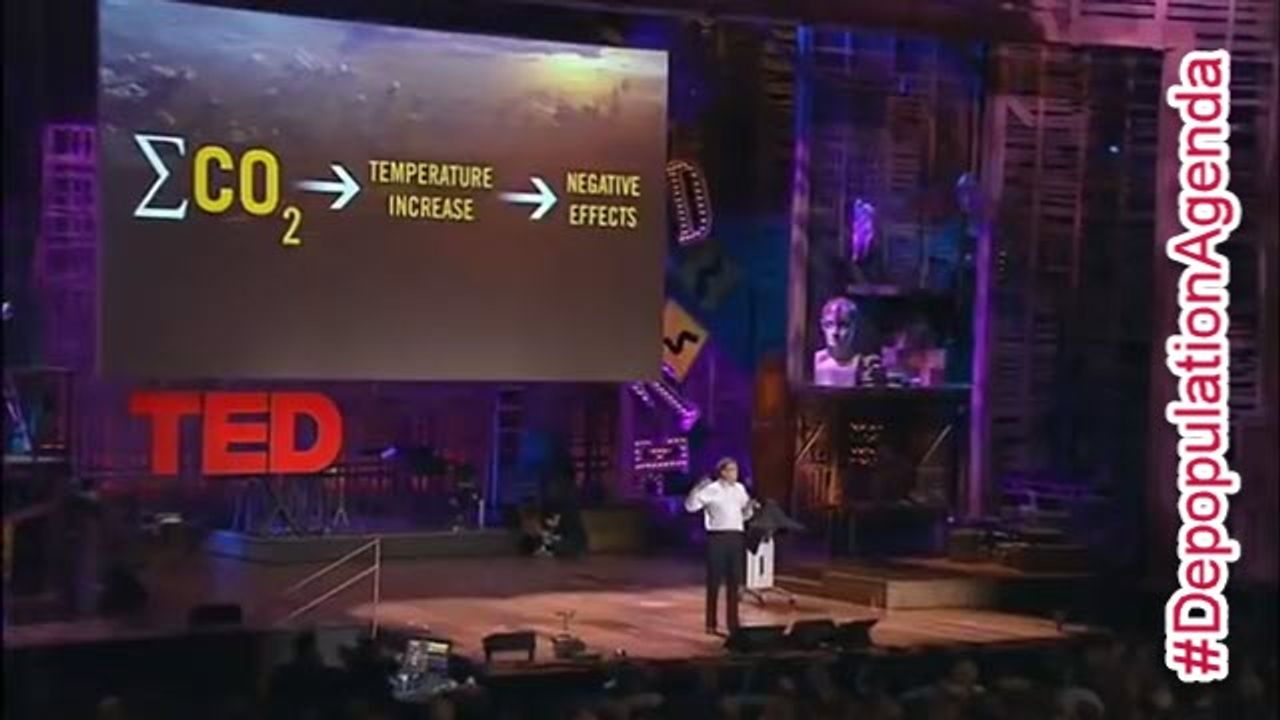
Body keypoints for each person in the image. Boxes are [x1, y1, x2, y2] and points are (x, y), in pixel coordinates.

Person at [684, 458, 759, 635]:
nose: (735, 473)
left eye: (736, 470)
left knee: (735, 581)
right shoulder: (711, 489)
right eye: (731, 470)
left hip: (736, 536)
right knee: (714, 581)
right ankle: (711, 623)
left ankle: (733, 624)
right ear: (723, 472)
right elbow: (690, 507)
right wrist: (696, 490)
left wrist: (750, 508)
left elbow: (744, 515)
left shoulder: (740, 489)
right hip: (717, 538)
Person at [813, 296, 884, 387]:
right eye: (829, 324)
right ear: (822, 326)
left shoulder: (867, 366)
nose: (835, 332)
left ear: (854, 327)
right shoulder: (814, 361)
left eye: (843, 325)